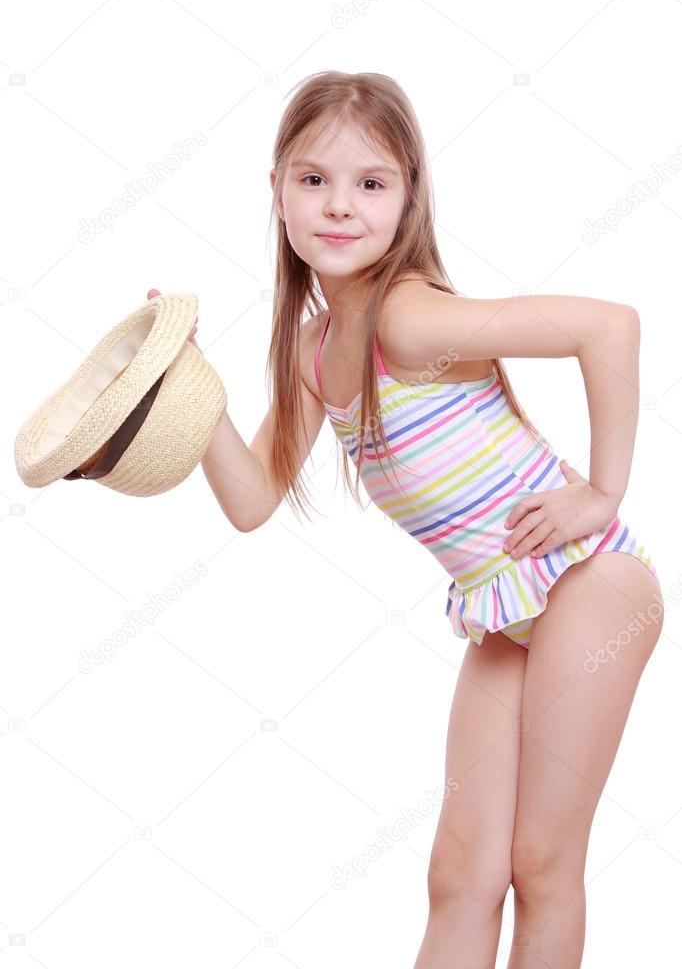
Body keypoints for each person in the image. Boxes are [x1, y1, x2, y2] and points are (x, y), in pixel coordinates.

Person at [148, 70, 664, 969]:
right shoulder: (315, 350)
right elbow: (250, 499)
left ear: (408, 197)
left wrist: (602, 493)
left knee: (543, 861)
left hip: (590, 580)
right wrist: (182, 383)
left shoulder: (409, 317)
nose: (339, 207)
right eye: (313, 181)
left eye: (370, 183)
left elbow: (610, 327)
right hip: (505, 605)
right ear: (275, 193)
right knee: (462, 874)